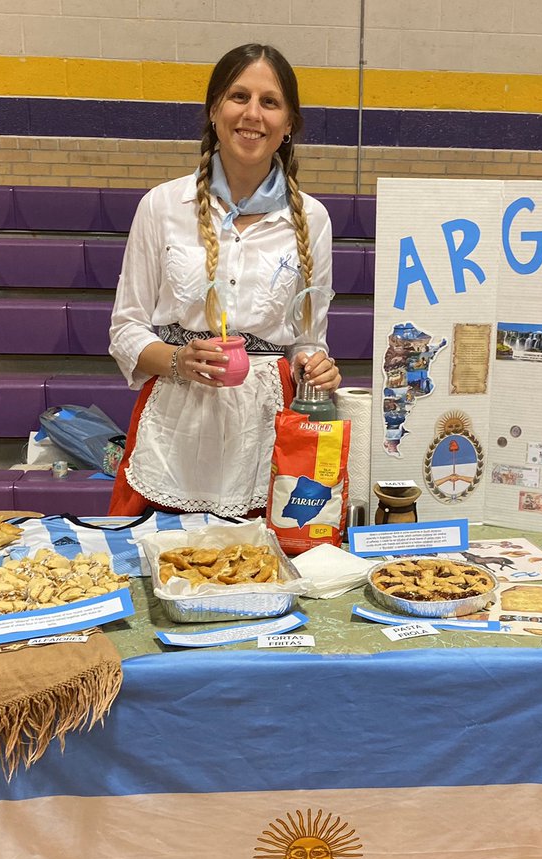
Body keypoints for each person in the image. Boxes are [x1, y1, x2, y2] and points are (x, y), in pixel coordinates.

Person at [107, 43, 340, 517]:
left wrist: (315, 368)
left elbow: (306, 340)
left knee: (256, 560)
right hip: (174, 428)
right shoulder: (161, 206)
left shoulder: (312, 219)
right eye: (239, 96)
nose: (253, 114)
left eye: (270, 102)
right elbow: (126, 329)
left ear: (288, 124)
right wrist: (178, 360)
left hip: (265, 434)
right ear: (214, 110)